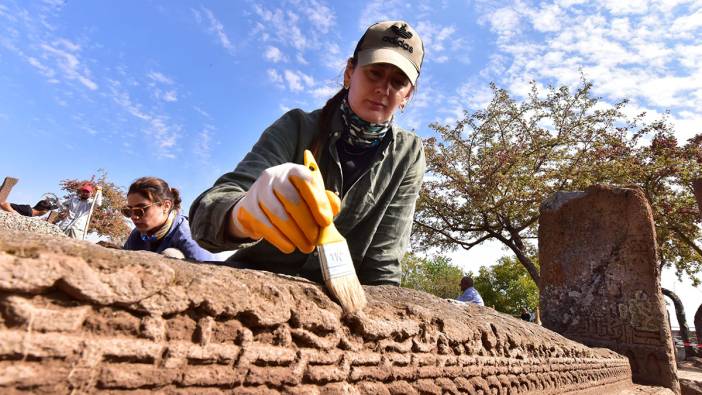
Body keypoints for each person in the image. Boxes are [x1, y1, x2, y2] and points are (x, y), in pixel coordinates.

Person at [189, 20, 425, 286]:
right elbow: (204, 217)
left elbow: (383, 263)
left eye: (398, 81)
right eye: (374, 73)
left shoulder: (409, 155)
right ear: (350, 72)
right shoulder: (297, 126)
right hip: (256, 283)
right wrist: (243, 213)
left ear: (408, 95)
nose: (384, 88)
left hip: (338, 300)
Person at [122, 177, 216, 262]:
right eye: (129, 211)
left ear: (166, 206)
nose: (134, 217)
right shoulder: (138, 234)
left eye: (140, 210)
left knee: (171, 254)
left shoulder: (189, 237)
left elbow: (212, 275)